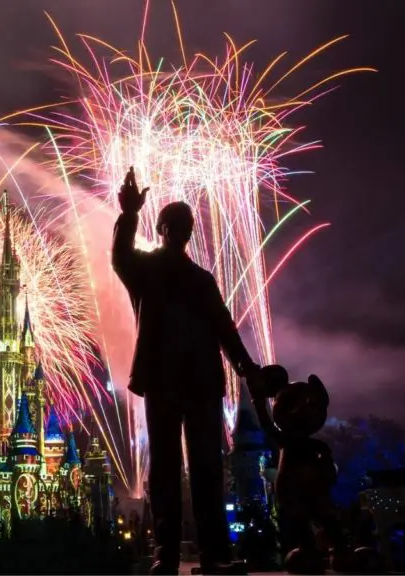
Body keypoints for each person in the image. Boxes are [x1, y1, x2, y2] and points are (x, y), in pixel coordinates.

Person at [112, 167, 260, 575]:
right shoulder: (146, 270)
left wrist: (246, 367)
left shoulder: (202, 279)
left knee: (208, 468)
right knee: (164, 468)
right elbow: (119, 256)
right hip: (163, 379)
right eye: (178, 224)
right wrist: (128, 214)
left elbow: (224, 327)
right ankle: (167, 552)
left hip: (200, 383)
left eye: (188, 226)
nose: (184, 231)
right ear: (162, 228)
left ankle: (214, 554)